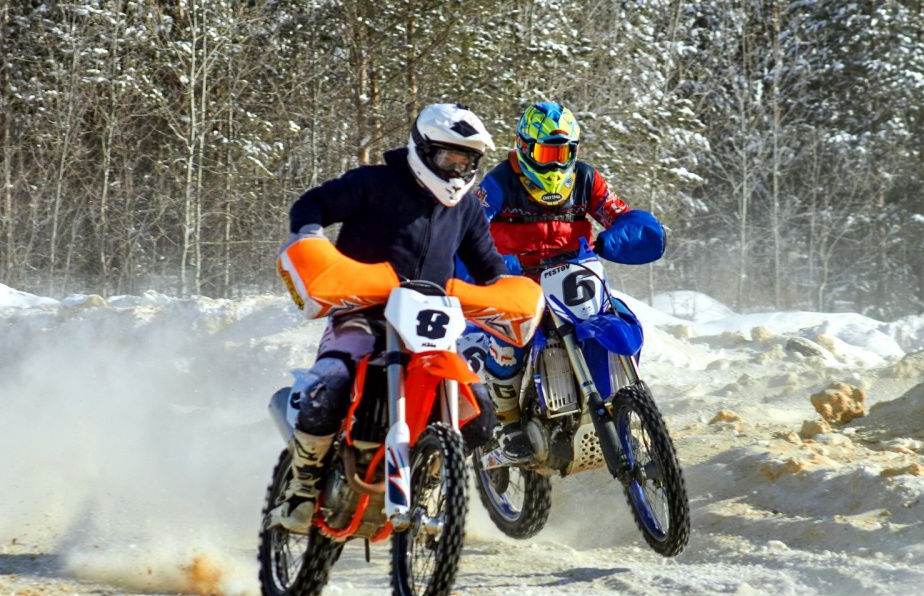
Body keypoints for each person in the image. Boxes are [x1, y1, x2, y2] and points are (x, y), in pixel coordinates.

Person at [274, 103, 508, 533]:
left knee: (481, 413)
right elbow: (314, 203)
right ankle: (303, 485)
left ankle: (433, 474)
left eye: (466, 161)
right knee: (333, 383)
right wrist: (310, 237)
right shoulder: (375, 183)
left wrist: (507, 289)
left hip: (430, 322)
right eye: (448, 158)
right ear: (422, 148)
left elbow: (488, 263)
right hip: (362, 311)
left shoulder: (468, 208)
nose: (457, 170)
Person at [474, 101, 666, 459]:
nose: (555, 163)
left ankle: (622, 405)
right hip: (519, 281)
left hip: (575, 275)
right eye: (547, 152)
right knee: (511, 333)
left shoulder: (587, 180)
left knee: (623, 318)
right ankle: (508, 422)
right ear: (525, 147)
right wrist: (493, 263)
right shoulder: (498, 184)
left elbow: (618, 213)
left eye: (563, 152)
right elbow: (469, 228)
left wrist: (620, 236)